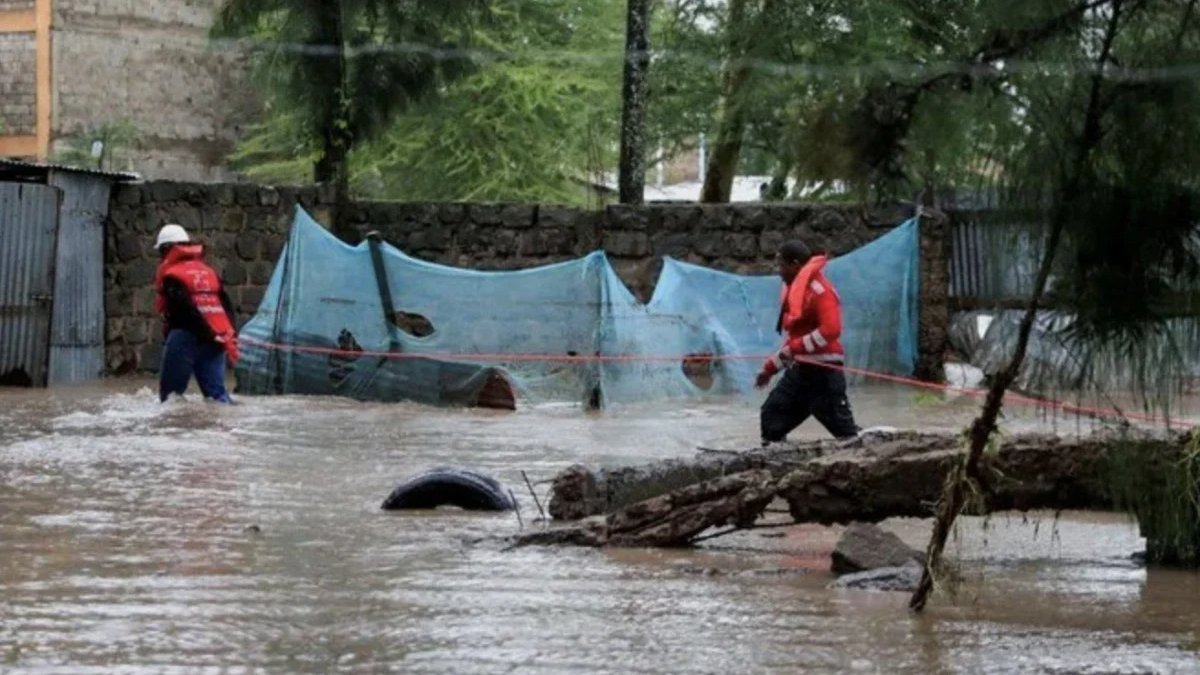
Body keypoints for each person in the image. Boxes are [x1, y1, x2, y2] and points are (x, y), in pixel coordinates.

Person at [755, 239, 860, 443]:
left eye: (781, 265)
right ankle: (774, 464)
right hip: (801, 372)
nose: (779, 271)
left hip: (825, 373)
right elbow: (794, 344)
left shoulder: (821, 291)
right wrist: (769, 369)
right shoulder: (798, 292)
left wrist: (797, 347)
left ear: (795, 265)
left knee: (847, 436)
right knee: (771, 416)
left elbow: (831, 330)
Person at [153, 224, 239, 403]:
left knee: (171, 398)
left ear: (167, 249)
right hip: (217, 337)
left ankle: (172, 431)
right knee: (217, 396)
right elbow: (226, 306)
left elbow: (184, 313)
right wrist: (225, 334)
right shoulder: (209, 272)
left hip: (185, 337)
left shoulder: (172, 276)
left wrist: (206, 332)